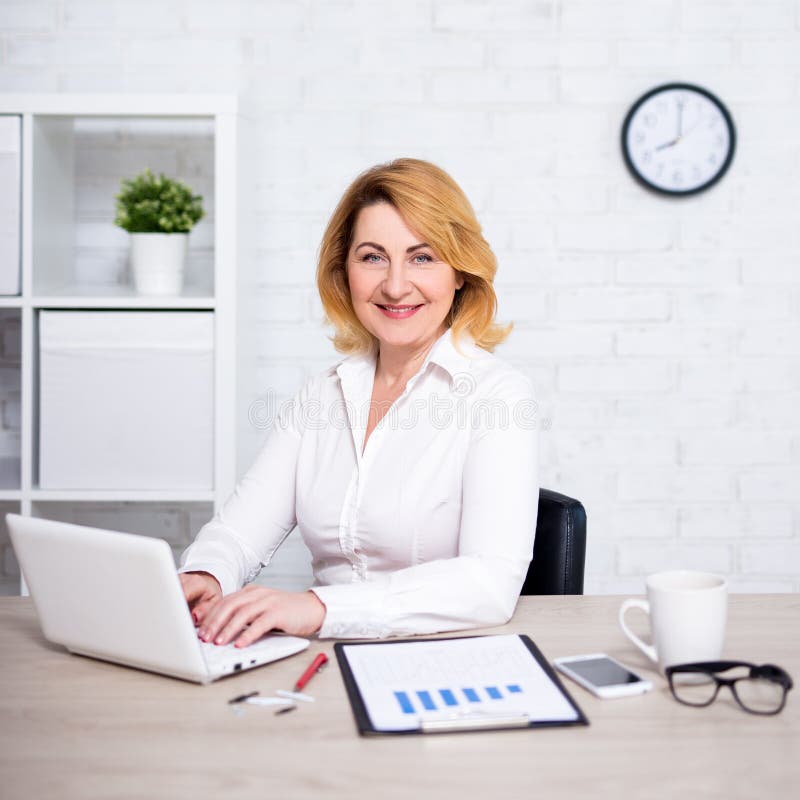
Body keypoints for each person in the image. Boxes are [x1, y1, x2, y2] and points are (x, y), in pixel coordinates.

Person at [178, 157, 538, 647]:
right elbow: (239, 533)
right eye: (372, 257)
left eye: (422, 257)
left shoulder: (498, 396)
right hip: (325, 662)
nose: (394, 285)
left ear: (460, 273)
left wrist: (319, 607)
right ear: (344, 270)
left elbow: (489, 582)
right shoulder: (322, 396)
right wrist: (208, 576)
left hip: (443, 659)